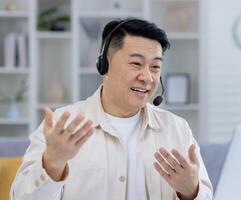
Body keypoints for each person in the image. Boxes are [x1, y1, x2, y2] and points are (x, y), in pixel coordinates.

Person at [11, 18, 213, 200]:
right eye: (136, 63)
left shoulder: (177, 129)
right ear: (104, 65)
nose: (147, 77)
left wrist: (191, 191)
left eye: (155, 67)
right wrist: (52, 165)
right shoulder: (61, 126)